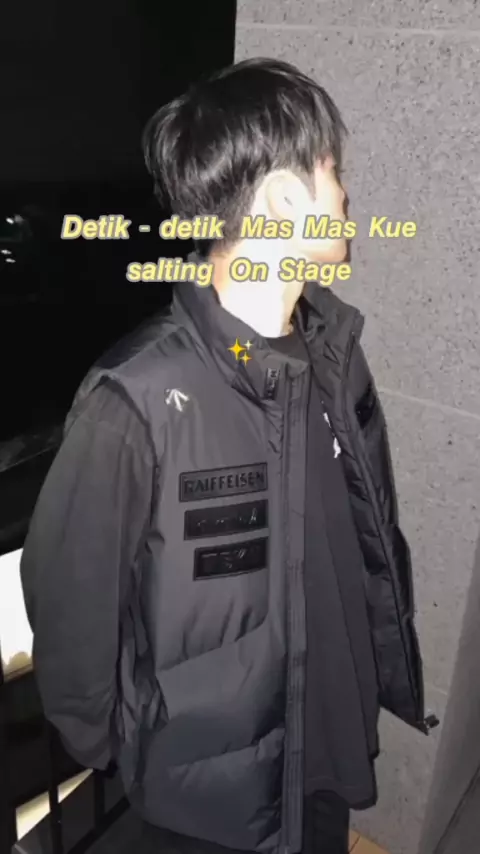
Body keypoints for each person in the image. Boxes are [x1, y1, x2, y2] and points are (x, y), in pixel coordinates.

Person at [20, 58, 436, 854]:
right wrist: (131, 745)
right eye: (334, 172)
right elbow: (70, 606)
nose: (347, 197)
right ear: (283, 200)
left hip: (326, 744)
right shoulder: (139, 397)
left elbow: (363, 536)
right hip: (208, 799)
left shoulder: (336, 355)